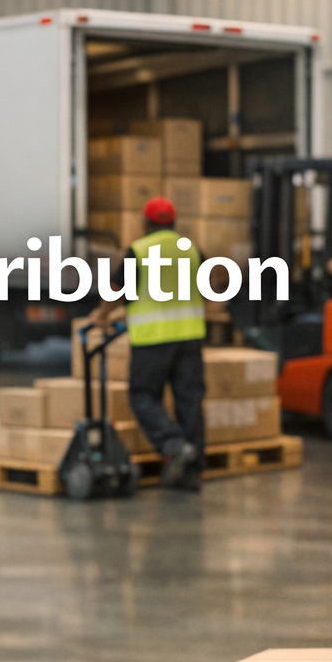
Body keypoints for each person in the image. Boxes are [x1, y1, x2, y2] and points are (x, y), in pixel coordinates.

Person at [95, 196, 206, 491]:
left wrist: (102, 315)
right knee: (190, 402)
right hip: (190, 338)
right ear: (174, 223)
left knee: (142, 396)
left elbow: (117, 289)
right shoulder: (191, 249)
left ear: (144, 224)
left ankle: (173, 445)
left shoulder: (139, 251)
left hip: (152, 339)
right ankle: (191, 472)